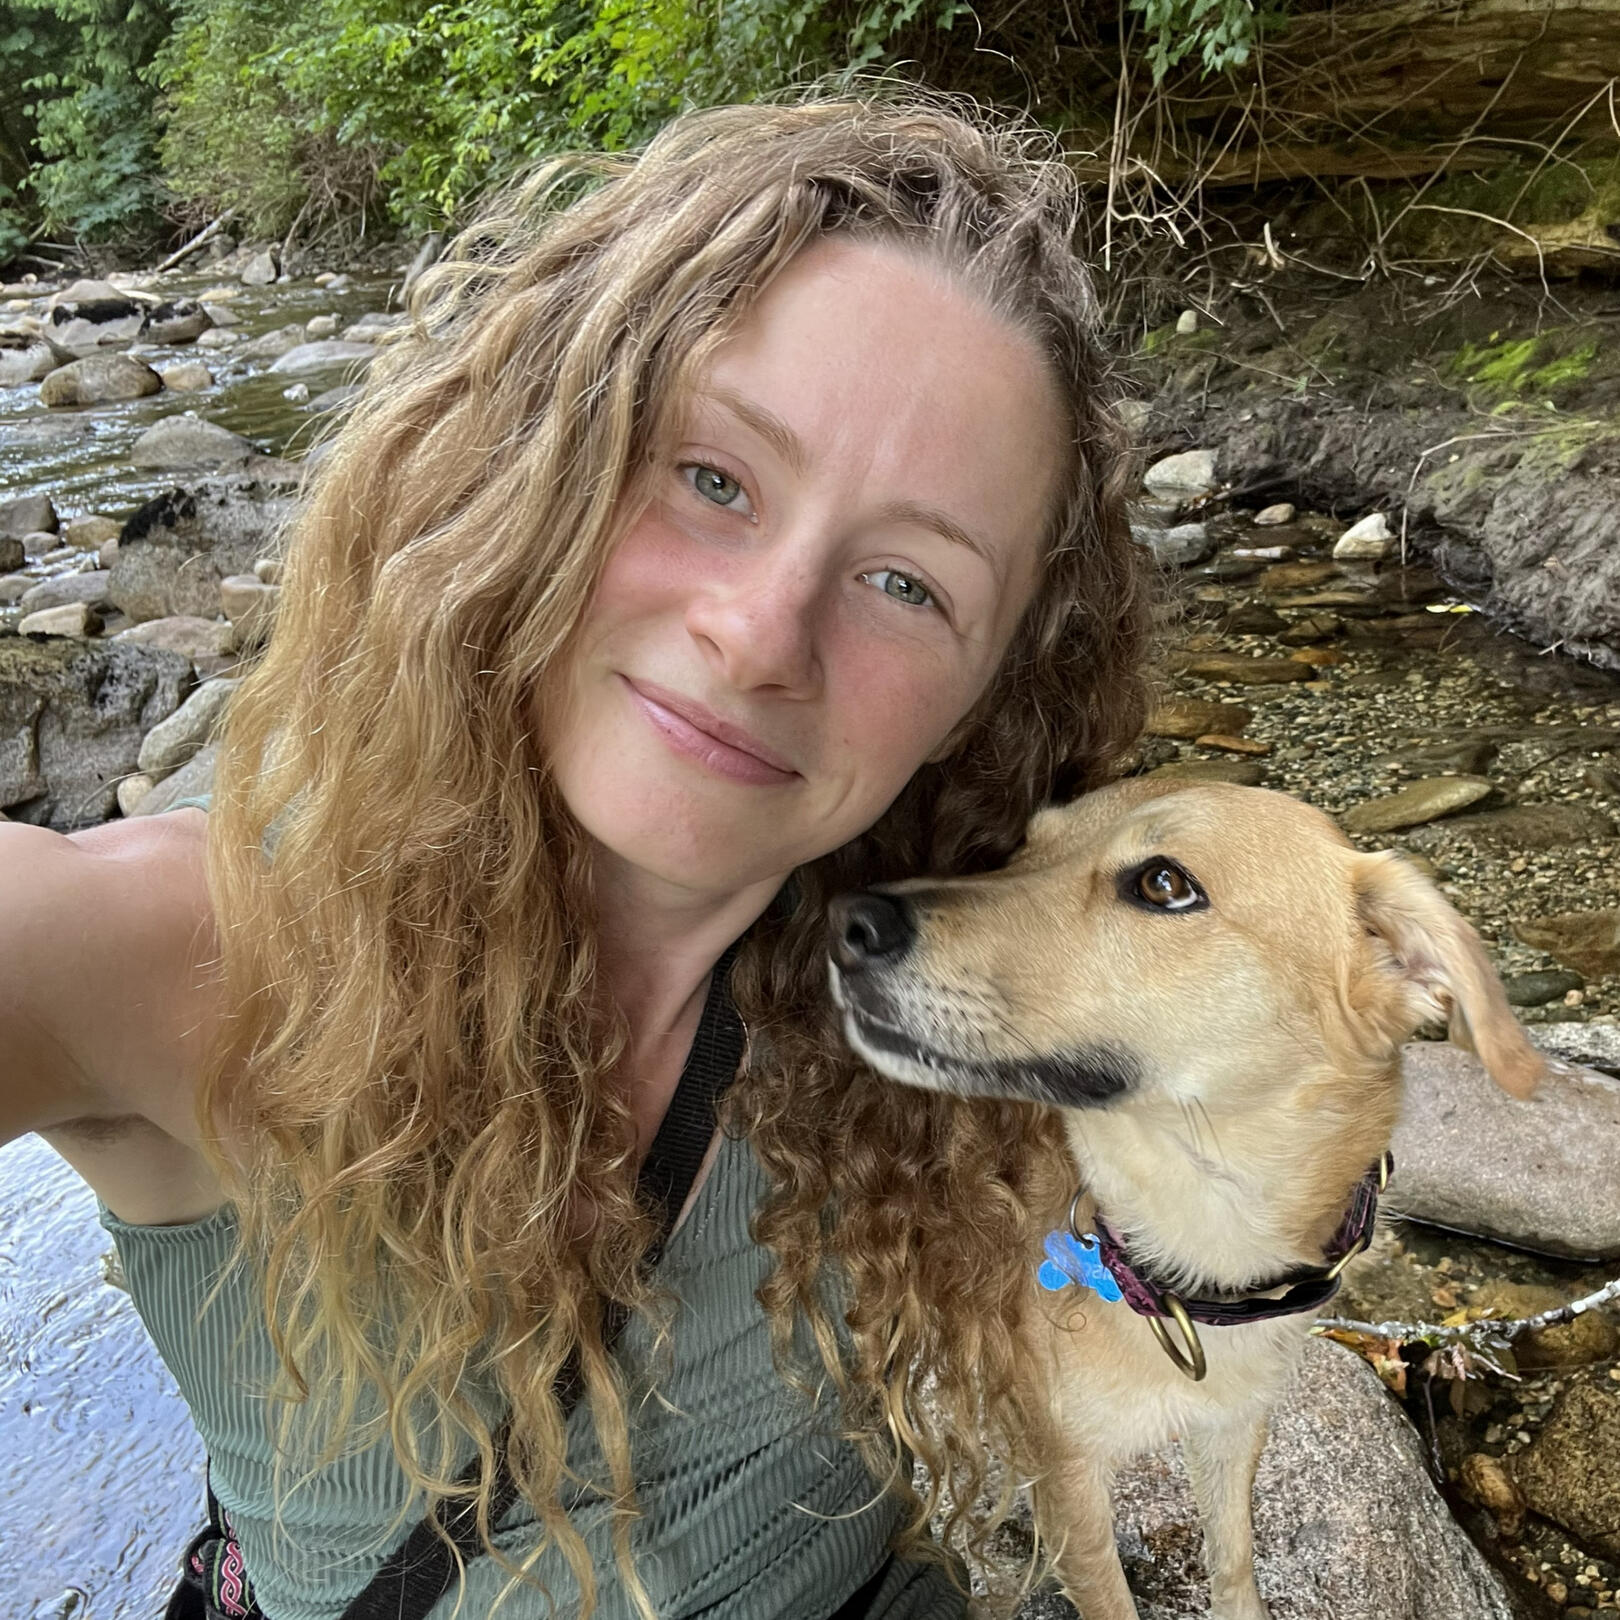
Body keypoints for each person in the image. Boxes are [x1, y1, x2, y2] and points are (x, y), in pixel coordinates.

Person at [0, 88, 1149, 1619]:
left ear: (982, 699)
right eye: (712, 476)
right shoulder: (192, 953)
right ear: (544, 456)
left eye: (905, 582)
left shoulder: (958, 985)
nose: (758, 636)